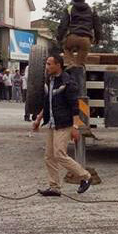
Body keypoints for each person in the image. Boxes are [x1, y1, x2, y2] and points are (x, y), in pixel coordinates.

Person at [31, 53, 92, 196]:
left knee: (59, 154)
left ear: (58, 65)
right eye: (46, 64)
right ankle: (54, 187)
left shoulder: (68, 83)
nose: (46, 67)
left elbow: (75, 107)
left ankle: (85, 177)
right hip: (52, 123)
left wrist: (75, 127)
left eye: (49, 64)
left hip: (64, 124)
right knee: (49, 156)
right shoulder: (49, 80)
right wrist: (38, 119)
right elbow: (48, 103)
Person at [56, 0, 102, 68]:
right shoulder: (92, 10)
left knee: (66, 48)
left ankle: (71, 63)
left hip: (72, 37)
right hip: (86, 39)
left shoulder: (69, 9)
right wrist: (98, 39)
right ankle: (78, 67)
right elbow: (97, 26)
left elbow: (63, 25)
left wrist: (59, 38)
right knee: (80, 64)